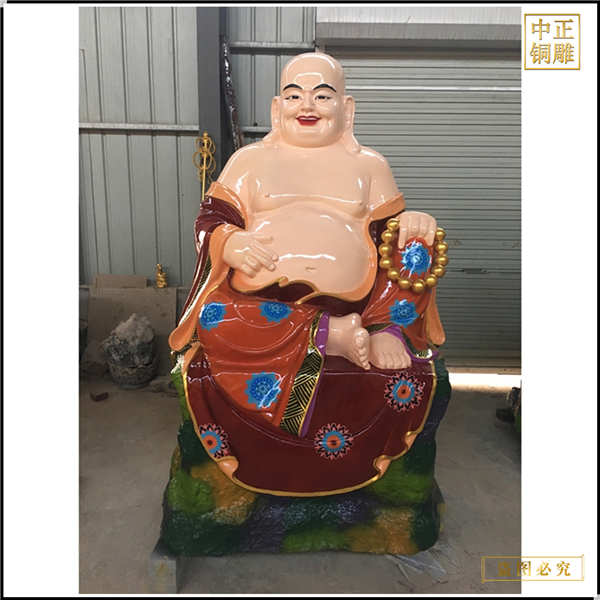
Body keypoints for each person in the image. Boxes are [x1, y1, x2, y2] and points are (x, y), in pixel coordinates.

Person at [169, 53, 446, 496]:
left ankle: (385, 331)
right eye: (294, 95)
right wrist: (230, 242)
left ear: (347, 109)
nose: (307, 105)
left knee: (418, 245)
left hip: (355, 304)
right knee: (213, 318)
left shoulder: (369, 166)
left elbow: (391, 234)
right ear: (277, 108)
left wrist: (416, 222)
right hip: (261, 308)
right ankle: (330, 335)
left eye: (322, 95)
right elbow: (209, 222)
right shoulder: (248, 162)